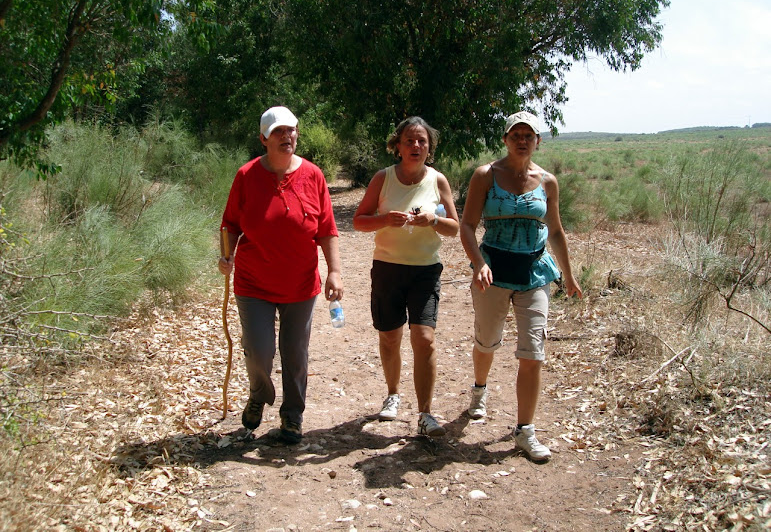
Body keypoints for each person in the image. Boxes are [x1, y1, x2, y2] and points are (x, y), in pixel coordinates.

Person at [459, 111, 582, 463]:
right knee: (487, 341)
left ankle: (525, 430)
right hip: (493, 270)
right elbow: (467, 226)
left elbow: (556, 231)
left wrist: (569, 276)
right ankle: (479, 390)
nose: (522, 140)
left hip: (535, 271)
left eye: (529, 134)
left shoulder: (548, 181)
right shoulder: (486, 175)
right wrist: (479, 264)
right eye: (516, 134)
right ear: (505, 139)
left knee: (533, 352)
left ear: (538, 141)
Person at [219, 106, 343, 444]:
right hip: (253, 282)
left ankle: (292, 415)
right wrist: (225, 255)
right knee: (258, 350)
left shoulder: (313, 176)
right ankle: (259, 394)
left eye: (291, 130)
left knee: (295, 352)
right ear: (263, 139)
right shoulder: (246, 176)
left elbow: (327, 229)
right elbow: (229, 223)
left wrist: (334, 271)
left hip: (300, 284)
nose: (287, 136)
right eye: (278, 132)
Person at [353, 116, 459, 437]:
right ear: (397, 146)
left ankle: (426, 414)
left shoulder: (438, 181)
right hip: (387, 269)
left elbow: (455, 227)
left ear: (430, 147)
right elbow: (359, 221)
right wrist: (384, 219)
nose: (416, 146)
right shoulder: (382, 179)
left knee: (424, 340)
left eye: (422, 141)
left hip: (426, 271)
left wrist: (433, 221)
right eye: (409, 140)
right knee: (389, 336)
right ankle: (393, 395)